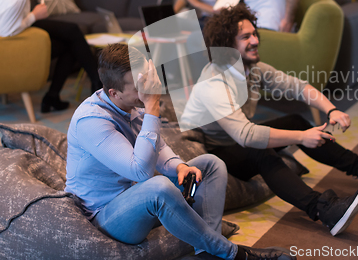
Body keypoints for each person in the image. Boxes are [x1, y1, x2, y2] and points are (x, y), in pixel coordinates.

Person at [181, 4, 358, 236]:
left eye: (254, 33)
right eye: (246, 37)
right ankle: (323, 210)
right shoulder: (214, 83)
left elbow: (297, 87)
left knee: (296, 120)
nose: (255, 40)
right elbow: (246, 135)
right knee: (261, 150)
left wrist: (331, 110)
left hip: (235, 141)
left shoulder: (253, 69)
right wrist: (302, 138)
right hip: (215, 151)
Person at [65, 43, 294, 260]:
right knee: (158, 186)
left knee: (210, 164)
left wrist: (180, 166)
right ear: (114, 93)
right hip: (105, 217)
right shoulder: (92, 121)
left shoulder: (128, 104)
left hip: (131, 198)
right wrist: (152, 107)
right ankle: (234, 253)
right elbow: (141, 172)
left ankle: (206, 252)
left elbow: (159, 147)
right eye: (140, 88)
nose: (149, 91)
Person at [0, 0, 102, 112]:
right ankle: (96, 84)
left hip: (17, 41)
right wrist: (34, 15)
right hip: (16, 47)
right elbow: (6, 30)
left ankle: (54, 96)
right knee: (72, 37)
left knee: (71, 36)